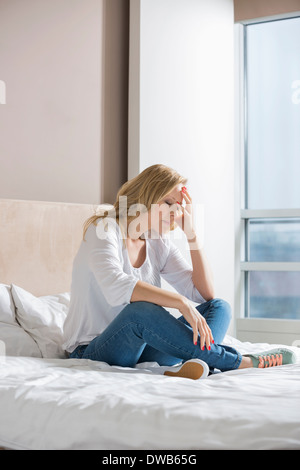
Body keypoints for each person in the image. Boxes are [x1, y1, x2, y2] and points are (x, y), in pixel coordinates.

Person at [62, 164, 295, 379]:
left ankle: (193, 363)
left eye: (179, 206)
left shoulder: (157, 242)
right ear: (146, 197)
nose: (176, 212)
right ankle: (236, 361)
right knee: (140, 311)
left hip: (142, 350)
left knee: (218, 307)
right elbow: (116, 285)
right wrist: (180, 303)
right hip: (93, 350)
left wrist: (192, 235)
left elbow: (204, 294)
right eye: (168, 202)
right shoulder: (103, 229)